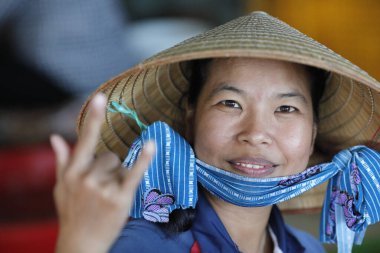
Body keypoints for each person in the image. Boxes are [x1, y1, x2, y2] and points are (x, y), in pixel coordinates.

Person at [51, 11, 380, 253]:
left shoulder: (306, 249)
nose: (255, 133)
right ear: (191, 118)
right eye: (230, 103)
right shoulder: (142, 245)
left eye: (286, 108)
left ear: (313, 134)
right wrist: (80, 245)